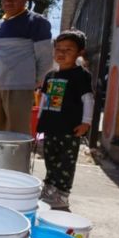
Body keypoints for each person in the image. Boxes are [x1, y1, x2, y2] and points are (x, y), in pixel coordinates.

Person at [36, 30, 94, 210]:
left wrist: (86, 122)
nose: (61, 53)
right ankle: (49, 189)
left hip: (70, 129)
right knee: (50, 159)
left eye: (68, 49)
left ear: (79, 52)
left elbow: (88, 99)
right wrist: (39, 122)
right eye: (58, 49)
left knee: (65, 163)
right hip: (51, 127)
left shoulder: (81, 75)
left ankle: (62, 195)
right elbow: (44, 100)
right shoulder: (50, 76)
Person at [0, 0, 53, 134]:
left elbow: (45, 58)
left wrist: (36, 82)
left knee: (17, 135)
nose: (8, 1)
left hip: (20, 88)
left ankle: (18, 159)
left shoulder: (37, 22)